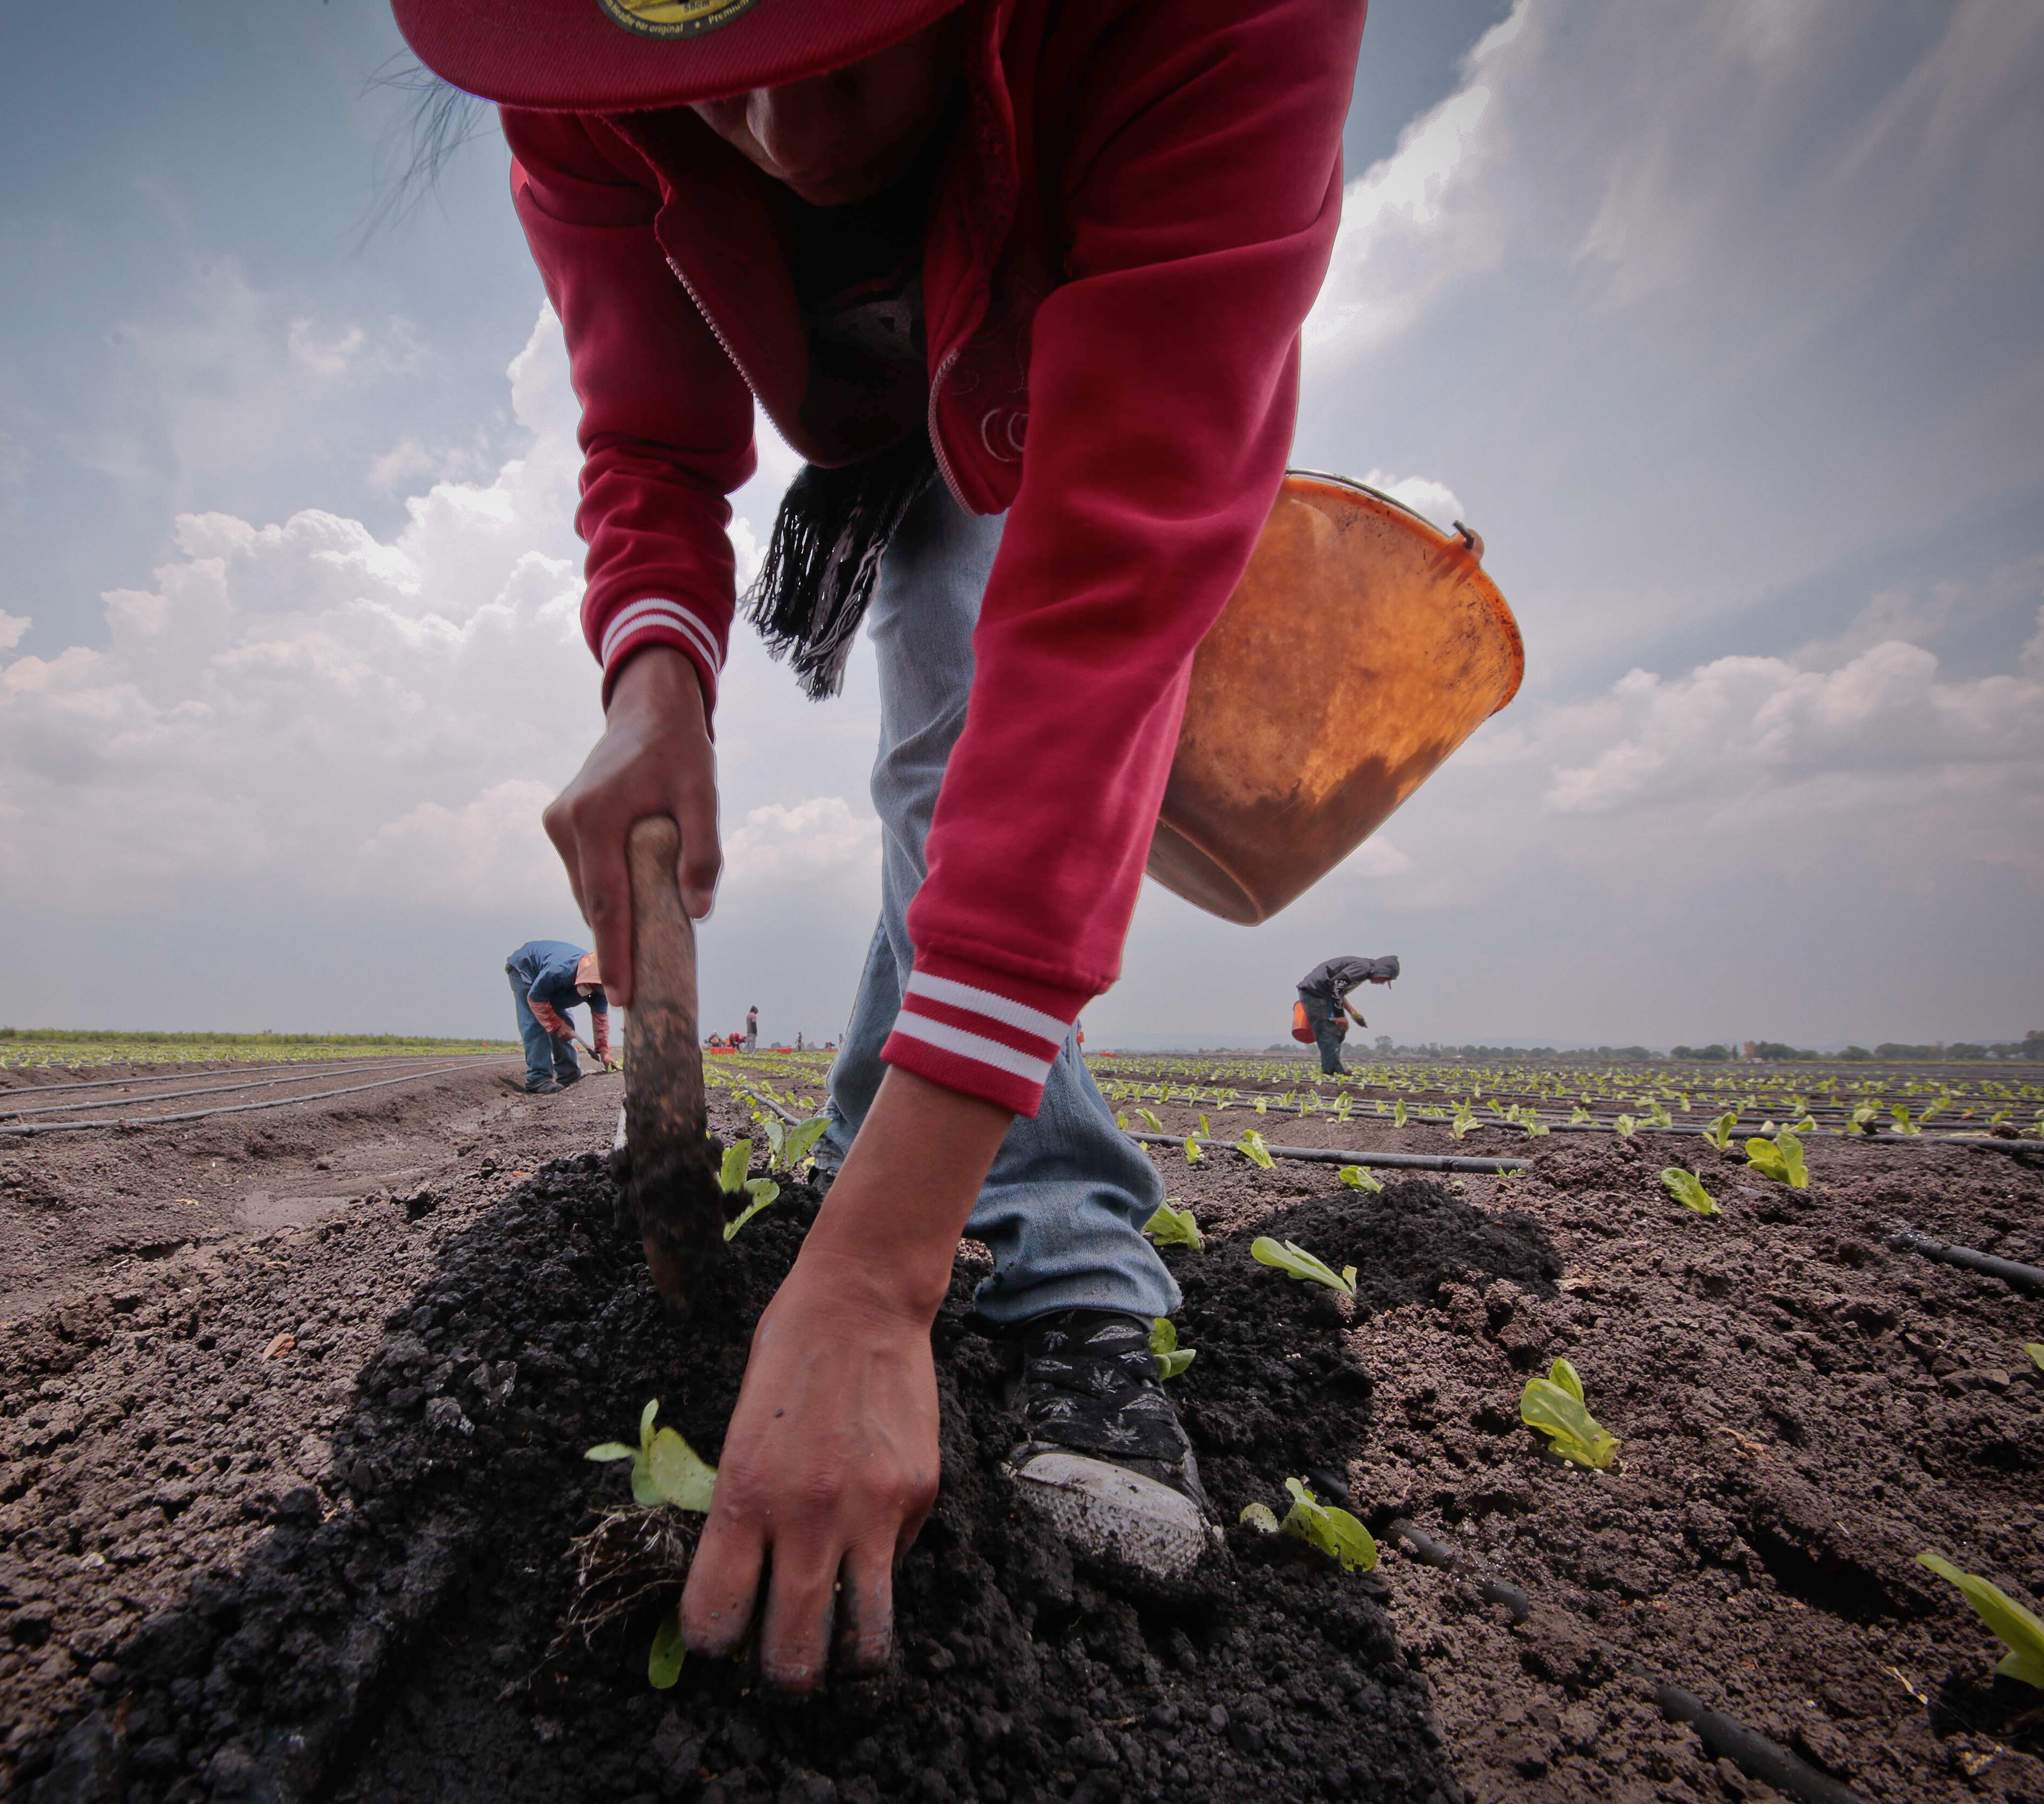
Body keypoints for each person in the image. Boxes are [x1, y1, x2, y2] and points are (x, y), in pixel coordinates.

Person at [394, 0, 1359, 1692]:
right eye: (716, 85)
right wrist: (653, 678)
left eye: (839, 35)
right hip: (893, 415)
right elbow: (650, 431)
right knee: (940, 736)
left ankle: (1046, 1269)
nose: (782, 128)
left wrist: (877, 1278)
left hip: (1077, 327)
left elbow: (1105, 600)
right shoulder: (596, 67)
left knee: (972, 724)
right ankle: (890, 1158)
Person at [503, 939, 610, 1094]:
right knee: (536, 1023)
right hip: (526, 970)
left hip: (552, 983)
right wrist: (556, 1025)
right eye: (593, 987)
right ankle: (538, 1079)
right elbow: (535, 998)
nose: (594, 991)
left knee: (565, 1024)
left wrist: (604, 1052)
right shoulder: (560, 970)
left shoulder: (599, 988)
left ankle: (569, 1075)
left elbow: (600, 1018)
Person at [1296, 954, 1397, 1077]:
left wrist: (1352, 1012)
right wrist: (1340, 1015)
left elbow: (1337, 990)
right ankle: (1332, 1072)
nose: (1383, 983)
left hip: (1321, 994)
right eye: (1386, 979)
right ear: (1382, 971)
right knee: (1329, 1031)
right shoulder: (1363, 968)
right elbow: (1336, 984)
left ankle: (1333, 1069)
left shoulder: (1363, 968)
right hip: (1316, 994)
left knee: (1338, 1030)